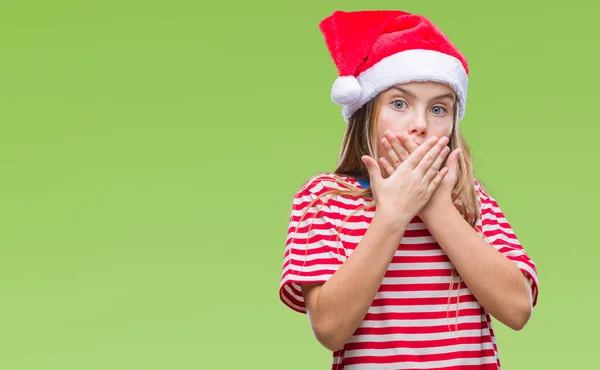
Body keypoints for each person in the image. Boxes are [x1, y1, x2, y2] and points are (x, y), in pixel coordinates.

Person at [278, 9, 539, 370]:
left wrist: (436, 208)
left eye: (438, 109)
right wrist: (393, 214)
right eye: (399, 103)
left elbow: (517, 309)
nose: (420, 125)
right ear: (366, 113)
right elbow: (329, 328)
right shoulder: (325, 199)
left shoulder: (472, 200)